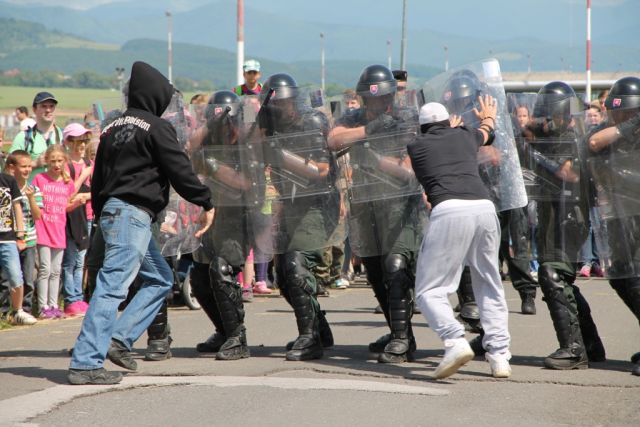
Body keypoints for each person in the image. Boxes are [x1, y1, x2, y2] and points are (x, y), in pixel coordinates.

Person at [67, 61, 214, 386]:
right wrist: (205, 199)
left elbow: (99, 177)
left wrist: (103, 217)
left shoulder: (112, 128)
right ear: (155, 96)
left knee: (160, 279)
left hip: (114, 213)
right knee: (112, 287)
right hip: (132, 214)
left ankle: (118, 339)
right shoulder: (156, 127)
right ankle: (85, 362)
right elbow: (180, 169)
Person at [408, 98, 512, 379]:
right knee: (489, 283)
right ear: (448, 123)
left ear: (422, 127)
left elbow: (439, 141)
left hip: (449, 210)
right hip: (484, 208)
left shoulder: (416, 146)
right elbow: (487, 132)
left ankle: (455, 340)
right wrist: (488, 116)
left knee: (429, 290)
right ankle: (500, 356)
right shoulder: (466, 136)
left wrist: (452, 129)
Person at [327, 64, 423, 363]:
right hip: (365, 204)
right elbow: (334, 140)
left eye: (381, 98)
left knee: (396, 266)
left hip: (400, 204)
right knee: (374, 270)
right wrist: (368, 130)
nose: (376, 104)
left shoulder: (405, 118)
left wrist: (376, 159)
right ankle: (399, 332)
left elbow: (409, 171)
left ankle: (401, 340)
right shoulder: (355, 117)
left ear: (391, 97)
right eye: (370, 99)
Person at [523, 81, 604, 370]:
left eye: (551, 115)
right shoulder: (549, 136)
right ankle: (590, 343)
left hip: (571, 218)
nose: (547, 120)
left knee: (552, 274)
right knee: (562, 280)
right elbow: (525, 130)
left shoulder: (573, 138)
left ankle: (573, 349)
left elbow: (568, 174)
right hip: (551, 217)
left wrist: (536, 154)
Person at [258, 72, 336, 361]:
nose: (279, 109)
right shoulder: (270, 126)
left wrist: (281, 155)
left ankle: (310, 338)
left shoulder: (310, 122)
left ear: (293, 100)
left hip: (317, 203)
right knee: (283, 276)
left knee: (296, 266)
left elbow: (321, 171)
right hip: (289, 203)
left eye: (283, 103)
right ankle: (320, 329)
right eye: (274, 105)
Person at [188, 90, 258, 359]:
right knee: (199, 276)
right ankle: (223, 330)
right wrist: (211, 124)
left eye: (226, 124)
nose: (222, 130)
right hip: (213, 215)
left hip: (240, 217)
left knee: (222, 269)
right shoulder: (208, 142)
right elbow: (190, 148)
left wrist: (212, 165)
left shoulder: (247, 143)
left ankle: (237, 337)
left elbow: (245, 183)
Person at [586, 76, 640, 376]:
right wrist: (630, 124)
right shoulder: (615, 132)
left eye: (626, 112)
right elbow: (593, 142)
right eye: (615, 112)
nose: (618, 116)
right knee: (620, 277)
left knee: (636, 279)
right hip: (620, 217)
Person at [32, 145, 83, 319]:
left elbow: (65, 206)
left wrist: (77, 203)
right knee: (45, 269)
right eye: (52, 161)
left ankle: (54, 305)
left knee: (56, 271)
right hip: (43, 229)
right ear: (46, 161)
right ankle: (42, 306)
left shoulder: (67, 183)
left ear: (65, 161)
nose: (56, 164)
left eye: (60, 160)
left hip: (59, 231)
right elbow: (34, 202)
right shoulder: (39, 179)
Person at [3, 151, 43, 317]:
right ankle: (5, 310)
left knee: (28, 278)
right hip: (10, 239)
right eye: (23, 166)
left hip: (29, 240)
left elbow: (38, 216)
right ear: (13, 168)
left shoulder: (34, 189)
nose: (27, 169)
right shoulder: (6, 189)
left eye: (29, 166)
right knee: (8, 277)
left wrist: (31, 198)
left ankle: (25, 309)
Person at [61, 123, 93, 317]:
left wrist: (86, 196)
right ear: (68, 142)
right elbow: (68, 194)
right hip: (70, 216)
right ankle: (70, 299)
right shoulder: (66, 165)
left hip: (86, 216)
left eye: (84, 140)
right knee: (70, 260)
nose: (81, 144)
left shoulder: (90, 164)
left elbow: (97, 191)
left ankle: (79, 297)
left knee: (81, 261)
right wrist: (82, 176)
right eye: (77, 140)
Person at [10, 92, 63, 180]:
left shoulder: (63, 136)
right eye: (43, 106)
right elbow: (10, 168)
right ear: (34, 109)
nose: (48, 110)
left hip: (57, 188)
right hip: (30, 188)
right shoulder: (23, 137)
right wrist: (35, 164)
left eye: (51, 106)